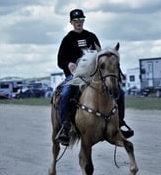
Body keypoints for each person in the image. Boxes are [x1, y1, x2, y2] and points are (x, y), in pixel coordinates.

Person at [55, 9, 134, 146]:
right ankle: (65, 127)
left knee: (120, 92)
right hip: (75, 76)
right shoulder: (67, 39)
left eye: (81, 20)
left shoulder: (91, 36)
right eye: (76, 21)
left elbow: (100, 57)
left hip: (93, 75)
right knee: (66, 92)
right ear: (71, 22)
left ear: (83, 21)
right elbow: (60, 60)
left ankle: (119, 123)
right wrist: (68, 64)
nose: (78, 23)